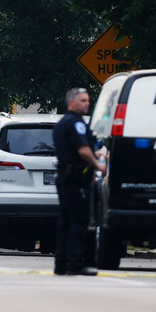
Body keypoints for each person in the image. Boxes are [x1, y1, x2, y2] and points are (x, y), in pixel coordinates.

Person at [53, 88, 105, 276]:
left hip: (66, 177)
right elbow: (83, 150)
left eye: (87, 100)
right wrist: (98, 165)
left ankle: (61, 264)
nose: (87, 104)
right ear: (72, 102)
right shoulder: (76, 123)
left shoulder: (63, 122)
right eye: (83, 100)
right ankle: (75, 264)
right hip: (76, 180)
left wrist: (94, 154)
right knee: (79, 221)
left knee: (66, 221)